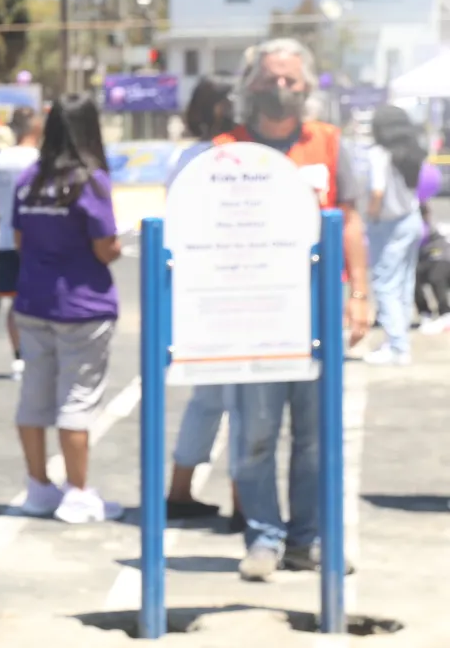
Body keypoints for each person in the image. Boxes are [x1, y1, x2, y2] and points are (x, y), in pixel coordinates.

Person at [213, 38, 371, 582]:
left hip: (320, 311)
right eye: (271, 79)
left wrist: (360, 294)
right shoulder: (225, 148)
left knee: (316, 435)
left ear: (307, 87)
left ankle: (308, 540)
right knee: (255, 433)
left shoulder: (329, 143)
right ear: (250, 86)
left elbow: (350, 220)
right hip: (254, 318)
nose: (281, 88)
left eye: (291, 80)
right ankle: (263, 539)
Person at [10, 97, 124, 524]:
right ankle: (78, 492)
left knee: (34, 397)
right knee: (77, 400)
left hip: (34, 300)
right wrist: (118, 245)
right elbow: (105, 248)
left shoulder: (29, 179)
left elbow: (20, 241)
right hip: (82, 305)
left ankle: (38, 486)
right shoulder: (90, 181)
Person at [164, 77, 241, 524]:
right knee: (242, 400)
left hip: (202, 290)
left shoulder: (186, 157)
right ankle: (245, 501)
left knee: (211, 399)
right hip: (225, 289)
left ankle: (180, 489)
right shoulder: (220, 155)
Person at [360, 106, 426, 365]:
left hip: (387, 224)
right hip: (411, 219)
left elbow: (377, 191)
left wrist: (370, 216)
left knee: (384, 283)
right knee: (403, 282)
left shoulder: (379, 154)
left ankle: (397, 346)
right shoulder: (413, 153)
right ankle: (400, 340)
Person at [0, 105, 41, 380]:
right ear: (36, 127)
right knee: (41, 300)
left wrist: (3, 226)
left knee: (14, 304)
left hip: (7, 239)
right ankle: (39, 355)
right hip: (37, 241)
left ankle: (19, 357)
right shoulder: (40, 161)